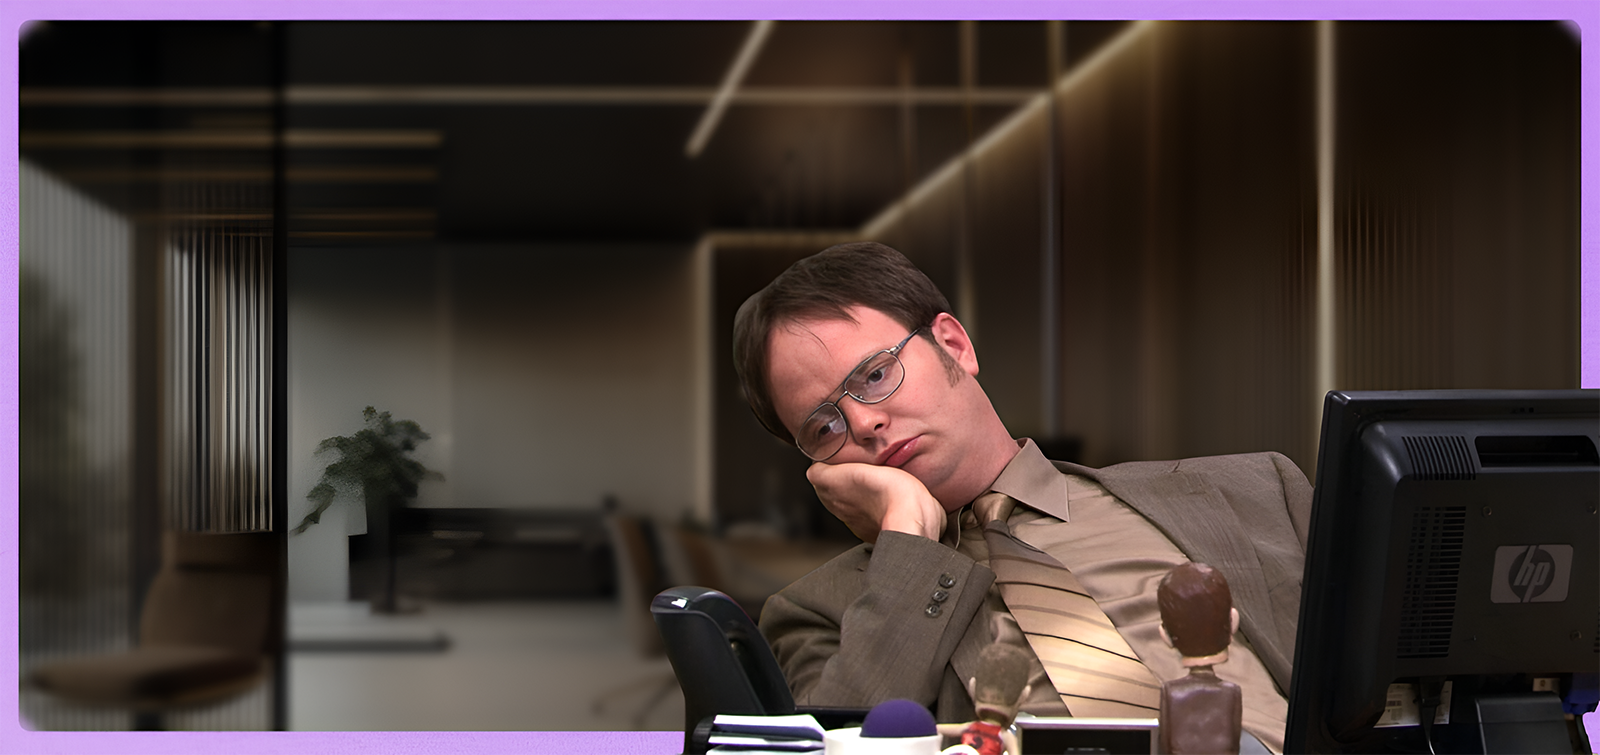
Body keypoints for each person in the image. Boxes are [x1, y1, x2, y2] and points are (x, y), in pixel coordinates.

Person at [731, 241, 1310, 753]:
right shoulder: (816, 612)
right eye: (824, 426)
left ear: (954, 345)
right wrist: (907, 538)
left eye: (875, 375)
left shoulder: (1256, 490)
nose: (863, 424)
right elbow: (846, 744)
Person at [1157, 562, 1244, 755]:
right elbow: (1235, 746)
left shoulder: (1170, 692)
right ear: (1232, 622)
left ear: (1165, 635)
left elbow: (1164, 745)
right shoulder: (1232, 692)